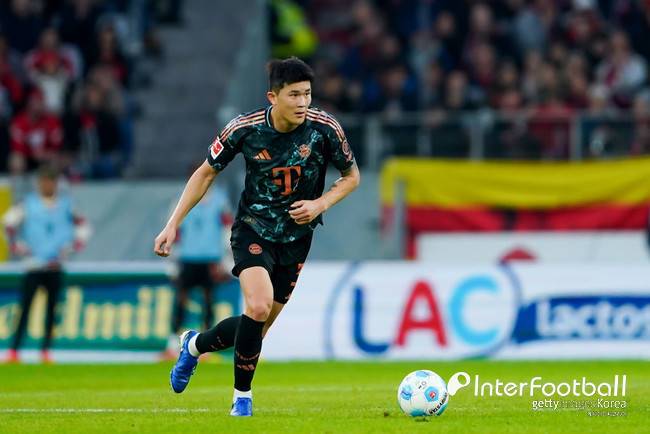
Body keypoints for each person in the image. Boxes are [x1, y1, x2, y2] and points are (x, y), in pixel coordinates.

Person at [153, 57, 360, 416]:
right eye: (294, 95)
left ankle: (193, 346)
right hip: (253, 229)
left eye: (307, 94)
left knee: (256, 328)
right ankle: (242, 399)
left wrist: (320, 204)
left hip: (297, 238)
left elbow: (351, 176)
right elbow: (205, 174)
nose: (302, 102)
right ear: (272, 97)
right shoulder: (244, 128)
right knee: (259, 306)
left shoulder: (325, 128)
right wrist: (173, 224)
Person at [3, 165, 90, 363]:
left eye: (51, 181)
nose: (47, 185)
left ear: (56, 184)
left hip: (55, 265)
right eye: (44, 181)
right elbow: (8, 224)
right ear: (39, 183)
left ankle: (45, 350)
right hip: (33, 265)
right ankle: (14, 350)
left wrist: (71, 248)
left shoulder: (66, 205)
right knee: (25, 309)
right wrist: (18, 247)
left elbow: (83, 226)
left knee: (52, 310)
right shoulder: (28, 203)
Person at [163, 184, 233, 360]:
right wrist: (172, 260)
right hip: (187, 257)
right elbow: (174, 229)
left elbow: (227, 228)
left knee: (208, 302)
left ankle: (206, 348)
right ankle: (172, 345)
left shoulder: (220, 200)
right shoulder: (181, 200)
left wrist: (227, 259)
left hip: (211, 258)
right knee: (180, 301)